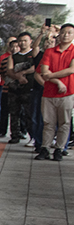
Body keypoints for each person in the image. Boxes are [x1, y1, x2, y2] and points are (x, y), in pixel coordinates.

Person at [36, 23, 74, 160]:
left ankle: (59, 149)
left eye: (69, 32)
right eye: (64, 32)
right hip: (49, 92)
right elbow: (43, 71)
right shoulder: (49, 52)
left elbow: (71, 69)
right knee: (48, 122)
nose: (66, 35)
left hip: (68, 92)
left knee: (64, 123)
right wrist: (57, 81)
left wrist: (51, 76)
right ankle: (45, 148)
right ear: (59, 34)